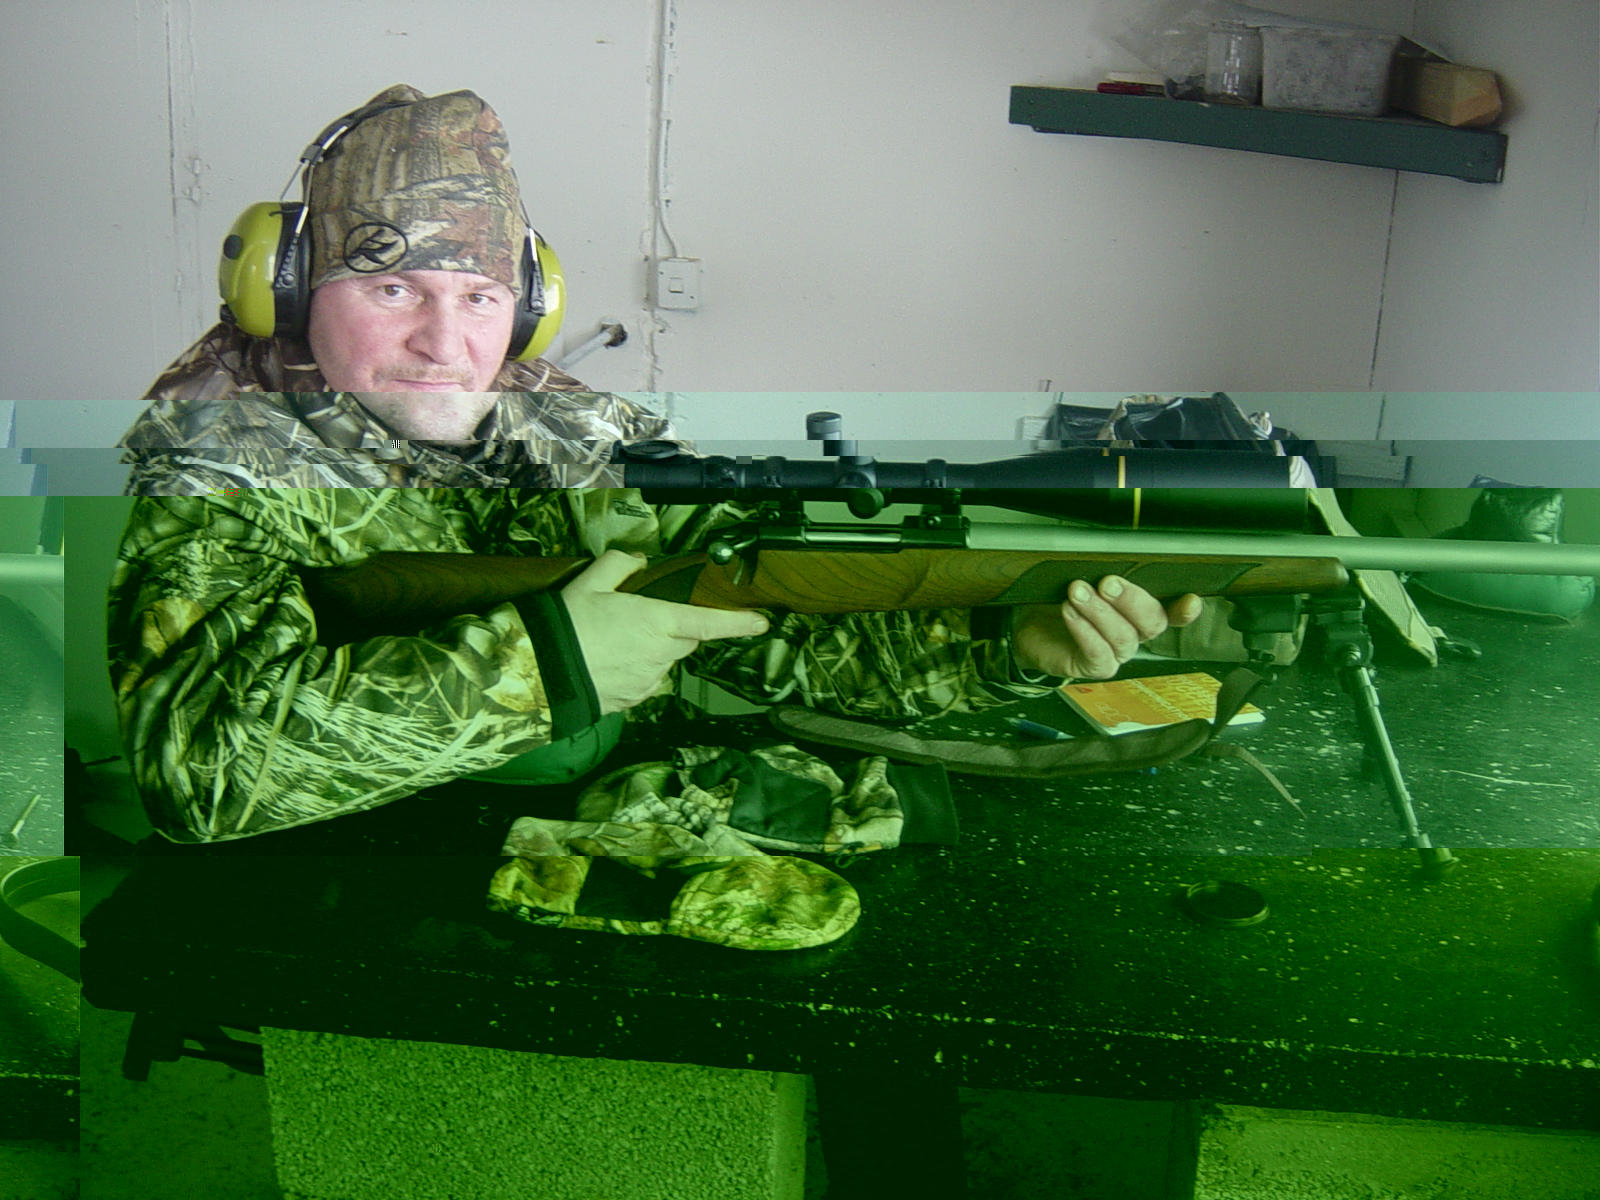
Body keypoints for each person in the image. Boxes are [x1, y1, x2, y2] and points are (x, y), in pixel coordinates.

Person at [108, 488, 1203, 845]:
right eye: (389, 287)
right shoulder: (225, 478)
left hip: (586, 839)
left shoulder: (568, 436)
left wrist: (1009, 647)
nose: (443, 333)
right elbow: (194, 773)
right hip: (337, 891)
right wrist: (550, 661)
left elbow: (785, 641)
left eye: (480, 293)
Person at [117, 84, 672, 492]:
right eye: (394, 292)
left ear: (529, 311)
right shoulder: (205, 447)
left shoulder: (571, 417)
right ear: (291, 294)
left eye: (478, 298)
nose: (443, 348)